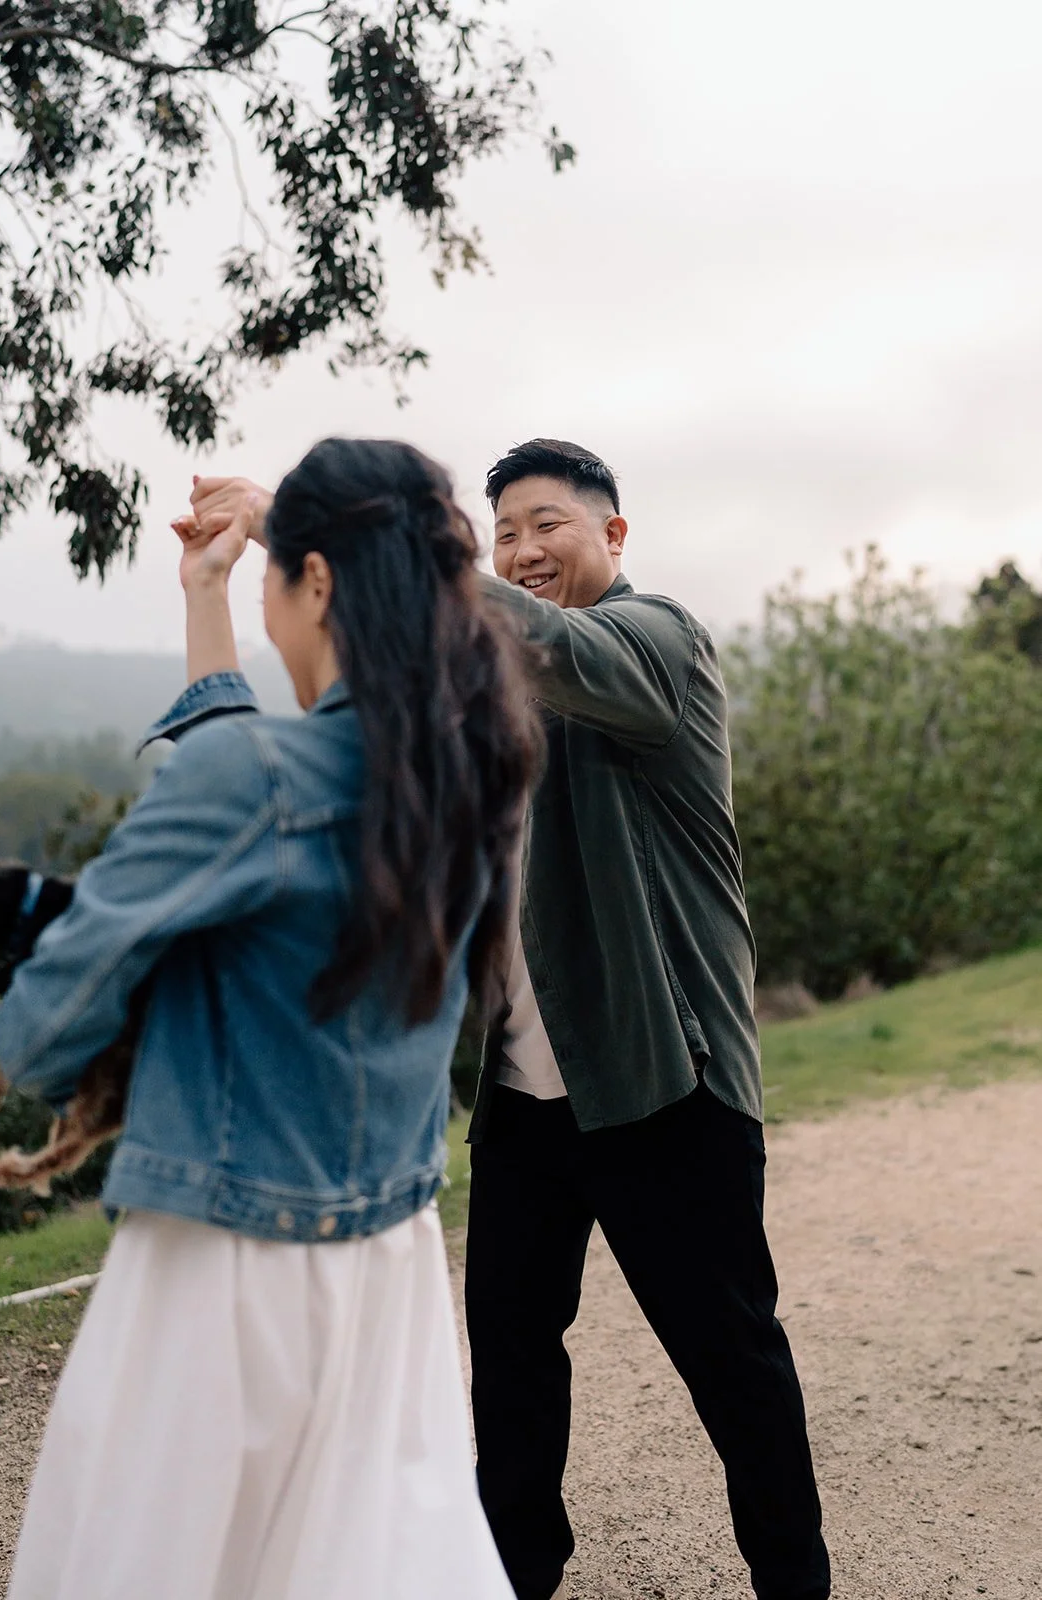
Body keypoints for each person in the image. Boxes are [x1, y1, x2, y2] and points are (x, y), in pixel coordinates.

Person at [0, 439, 542, 1600]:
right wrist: (209, 602)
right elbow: (259, 808)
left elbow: (45, 1037)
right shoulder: (470, 776)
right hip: (383, 1264)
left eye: (270, 589)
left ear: (320, 584)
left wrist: (18, 914)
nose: (272, 624)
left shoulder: (261, 782)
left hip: (220, 1272)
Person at [463, 439, 832, 1600]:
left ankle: (793, 1583)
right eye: (500, 534)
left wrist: (403, 547)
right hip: (524, 1097)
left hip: (661, 1079)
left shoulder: (656, 640)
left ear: (610, 536)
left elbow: (561, 652)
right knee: (511, 1368)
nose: (520, 551)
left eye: (544, 525)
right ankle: (514, 1578)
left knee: (730, 1362)